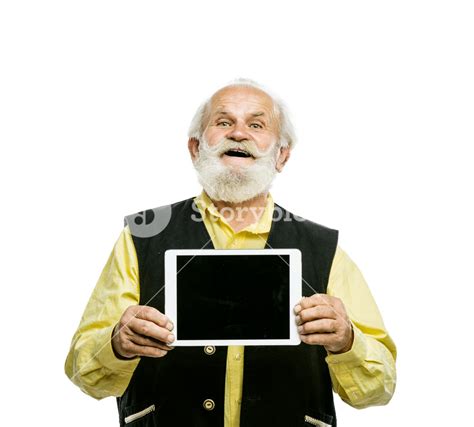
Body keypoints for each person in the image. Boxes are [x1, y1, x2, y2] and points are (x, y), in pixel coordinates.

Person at [65, 79, 396, 427]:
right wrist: (117, 343)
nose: (239, 133)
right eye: (223, 122)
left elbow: (379, 388)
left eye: (257, 124)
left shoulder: (324, 250)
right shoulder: (141, 238)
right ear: (195, 149)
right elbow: (84, 371)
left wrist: (347, 341)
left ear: (282, 155)